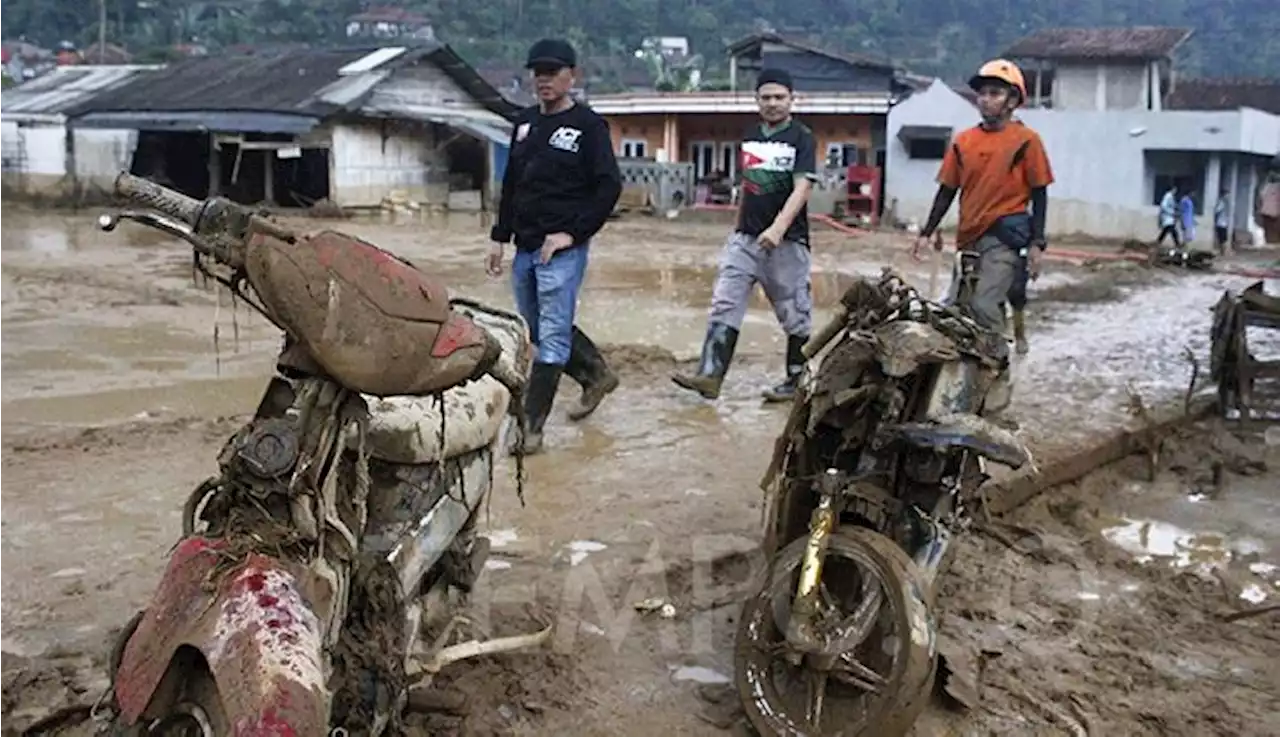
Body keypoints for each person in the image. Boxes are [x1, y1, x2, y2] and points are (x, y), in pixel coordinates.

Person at [487, 38, 623, 455]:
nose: (544, 79)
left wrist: (573, 234)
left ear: (571, 76)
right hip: (525, 245)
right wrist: (498, 237)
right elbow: (512, 184)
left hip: (559, 249)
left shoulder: (588, 126)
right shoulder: (525, 123)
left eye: (553, 71)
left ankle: (532, 430)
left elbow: (609, 187)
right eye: (538, 72)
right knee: (537, 326)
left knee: (550, 335)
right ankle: (596, 375)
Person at [910, 59, 1053, 411]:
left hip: (1004, 235)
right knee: (957, 307)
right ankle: (965, 378)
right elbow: (947, 191)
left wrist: (1037, 244)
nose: (986, 99)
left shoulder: (1026, 141)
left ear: (1012, 100)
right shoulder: (964, 142)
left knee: (985, 305)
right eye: (983, 93)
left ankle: (999, 374)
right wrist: (927, 232)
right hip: (968, 237)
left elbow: (1040, 193)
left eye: (995, 93)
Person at [671, 68, 817, 403]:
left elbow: (803, 187)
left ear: (792, 100)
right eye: (766, 97)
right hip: (746, 238)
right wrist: (738, 229)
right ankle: (710, 375)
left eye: (779, 97)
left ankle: (797, 378)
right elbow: (750, 188)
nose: (773, 103)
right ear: (756, 101)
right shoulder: (751, 134)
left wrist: (778, 228)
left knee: (794, 312)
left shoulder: (802, 137)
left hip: (788, 240)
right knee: (725, 300)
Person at [1214, 187, 1231, 254]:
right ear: (1224, 195)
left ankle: (1223, 251)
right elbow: (1217, 211)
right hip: (1220, 223)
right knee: (1222, 238)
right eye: (1227, 194)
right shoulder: (1221, 202)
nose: (1228, 196)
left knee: (1224, 238)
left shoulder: (1225, 202)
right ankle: (1222, 251)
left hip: (1224, 223)